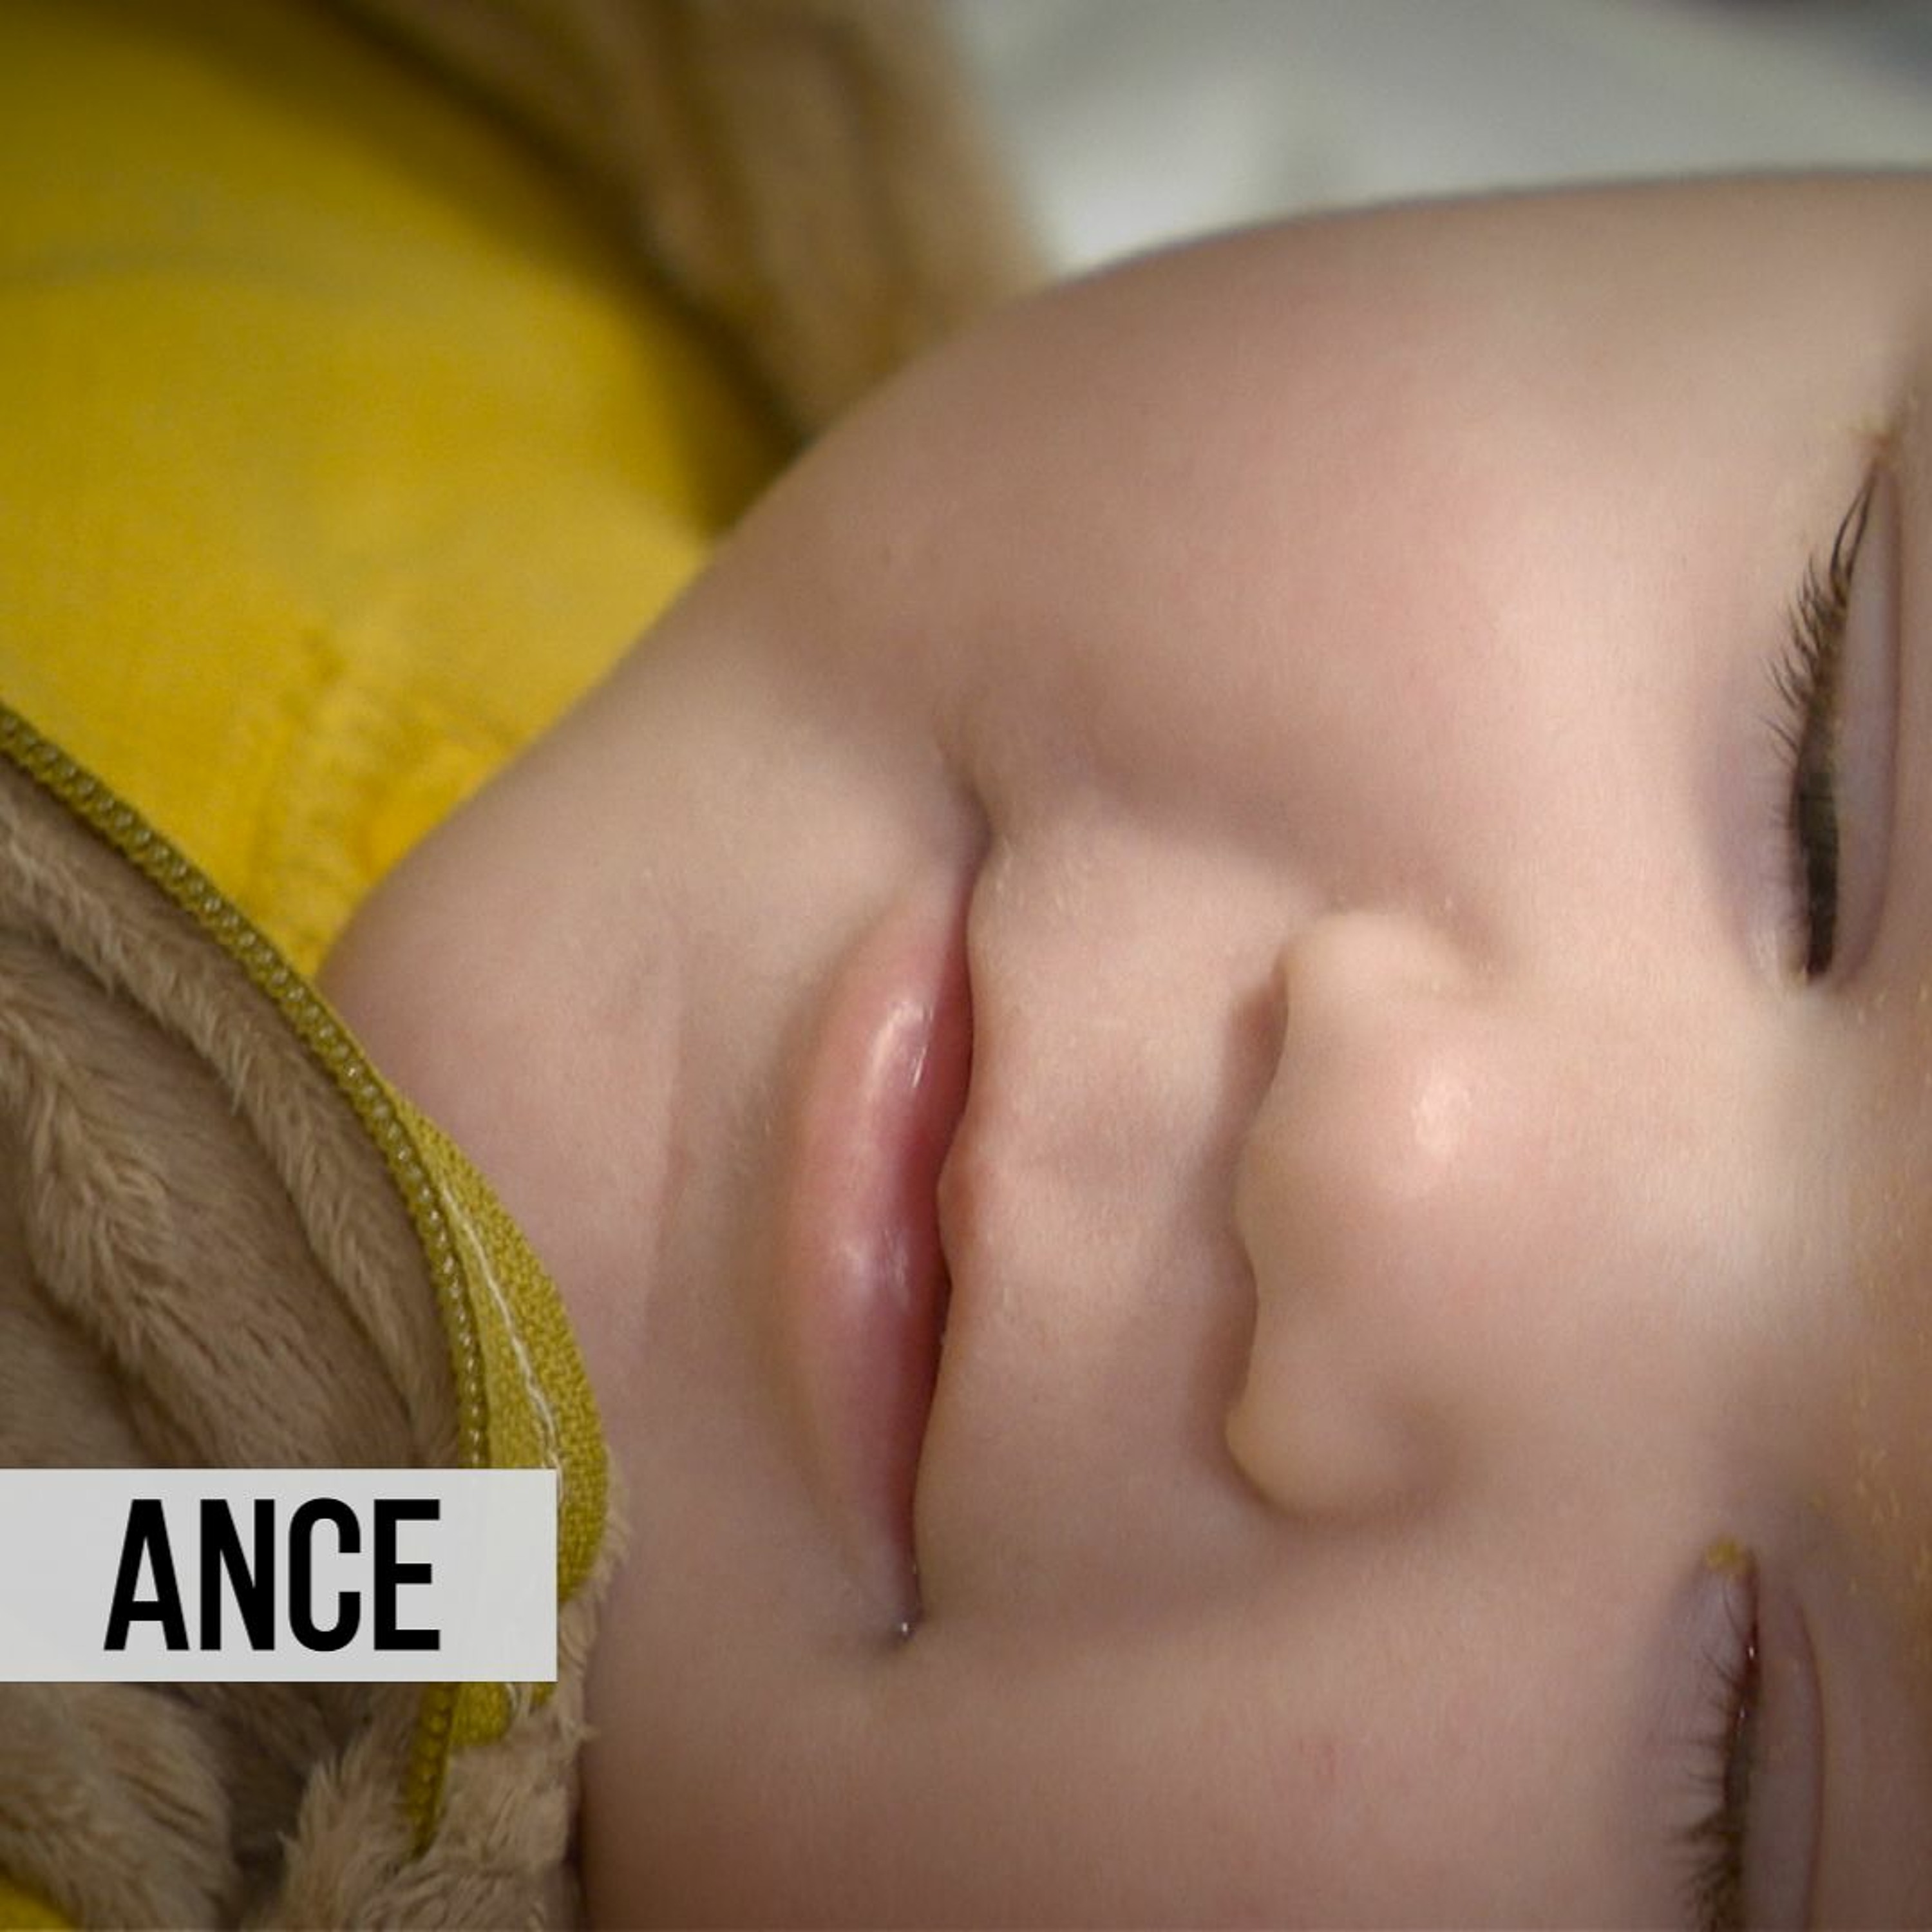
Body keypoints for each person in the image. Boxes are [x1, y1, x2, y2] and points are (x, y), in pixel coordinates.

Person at [3, 9, 1930, 1929]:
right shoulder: (568, 150)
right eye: (1823, 800)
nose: (1379, 1169)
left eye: (1743, 1781)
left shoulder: (279, 1600)